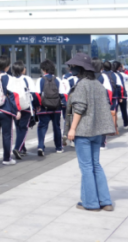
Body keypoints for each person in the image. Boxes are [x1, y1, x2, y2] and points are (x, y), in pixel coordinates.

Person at [64, 54, 115, 212]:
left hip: (83, 131)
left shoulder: (82, 85)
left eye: (73, 66)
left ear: (80, 69)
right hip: (97, 131)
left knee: (86, 167)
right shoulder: (98, 84)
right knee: (96, 165)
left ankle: (91, 203)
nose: (71, 69)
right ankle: (105, 201)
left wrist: (72, 128)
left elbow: (79, 108)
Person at [34, 60, 66, 155]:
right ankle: (59, 147)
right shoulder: (58, 80)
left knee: (42, 127)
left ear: (44, 69)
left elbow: (37, 95)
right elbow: (62, 95)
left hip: (44, 108)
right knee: (56, 127)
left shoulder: (40, 80)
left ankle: (40, 146)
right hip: (56, 108)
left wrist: (37, 106)